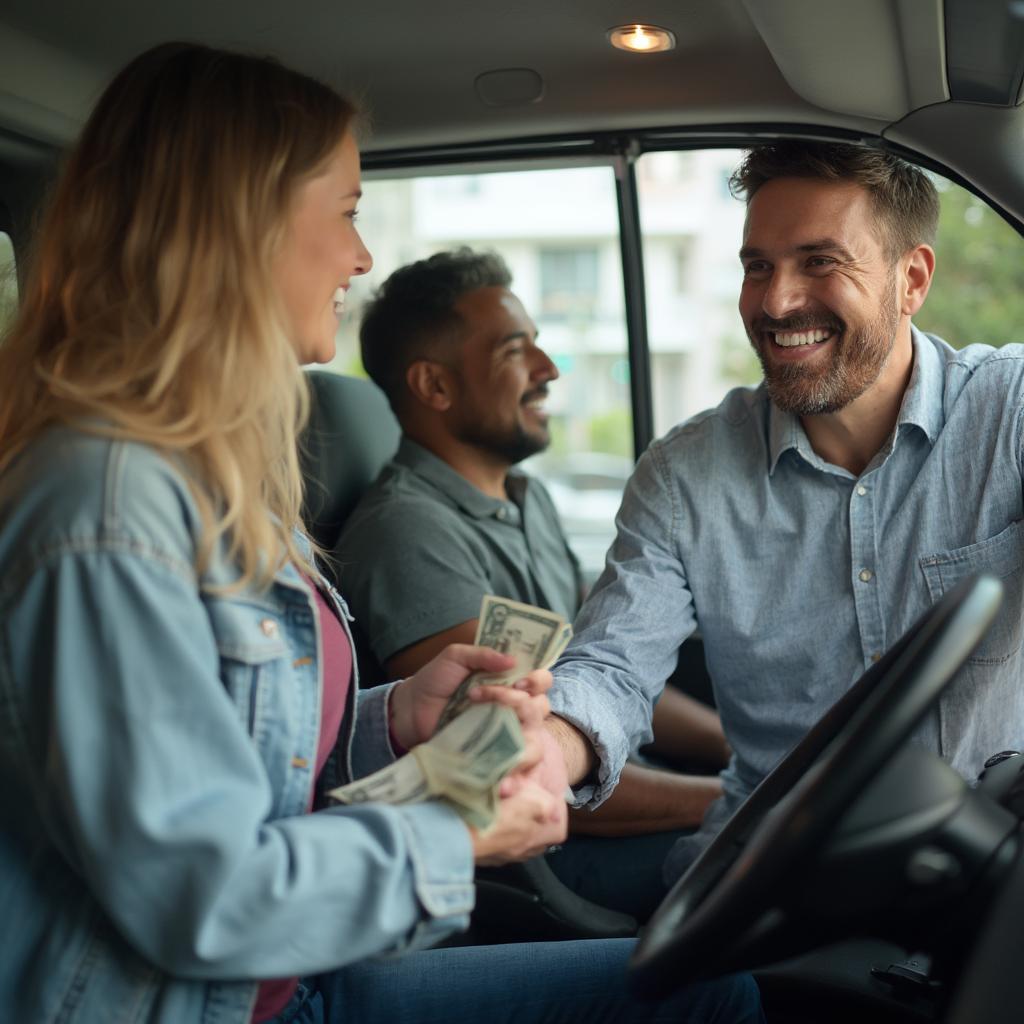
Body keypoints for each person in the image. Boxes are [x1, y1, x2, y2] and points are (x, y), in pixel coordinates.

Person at [0, 41, 764, 1024]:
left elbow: (244, 764)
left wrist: (395, 719)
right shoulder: (107, 506)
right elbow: (198, 890)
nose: (363, 257)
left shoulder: (205, 477)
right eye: (349, 212)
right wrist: (459, 833)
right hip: (198, 1001)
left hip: (288, 975)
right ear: (245, 226)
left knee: (710, 989)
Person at [542, 139, 1024, 884]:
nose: (775, 301)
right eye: (757, 266)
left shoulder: (1010, 410)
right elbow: (610, 667)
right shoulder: (684, 476)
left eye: (820, 262)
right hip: (780, 880)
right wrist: (548, 746)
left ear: (912, 279)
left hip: (987, 861)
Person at [336, 248, 727, 920]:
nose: (547, 370)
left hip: (606, 788)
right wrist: (733, 796)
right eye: (517, 351)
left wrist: (737, 748)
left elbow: (608, 674)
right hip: (555, 856)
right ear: (434, 386)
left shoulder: (528, 498)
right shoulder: (405, 533)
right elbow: (509, 766)